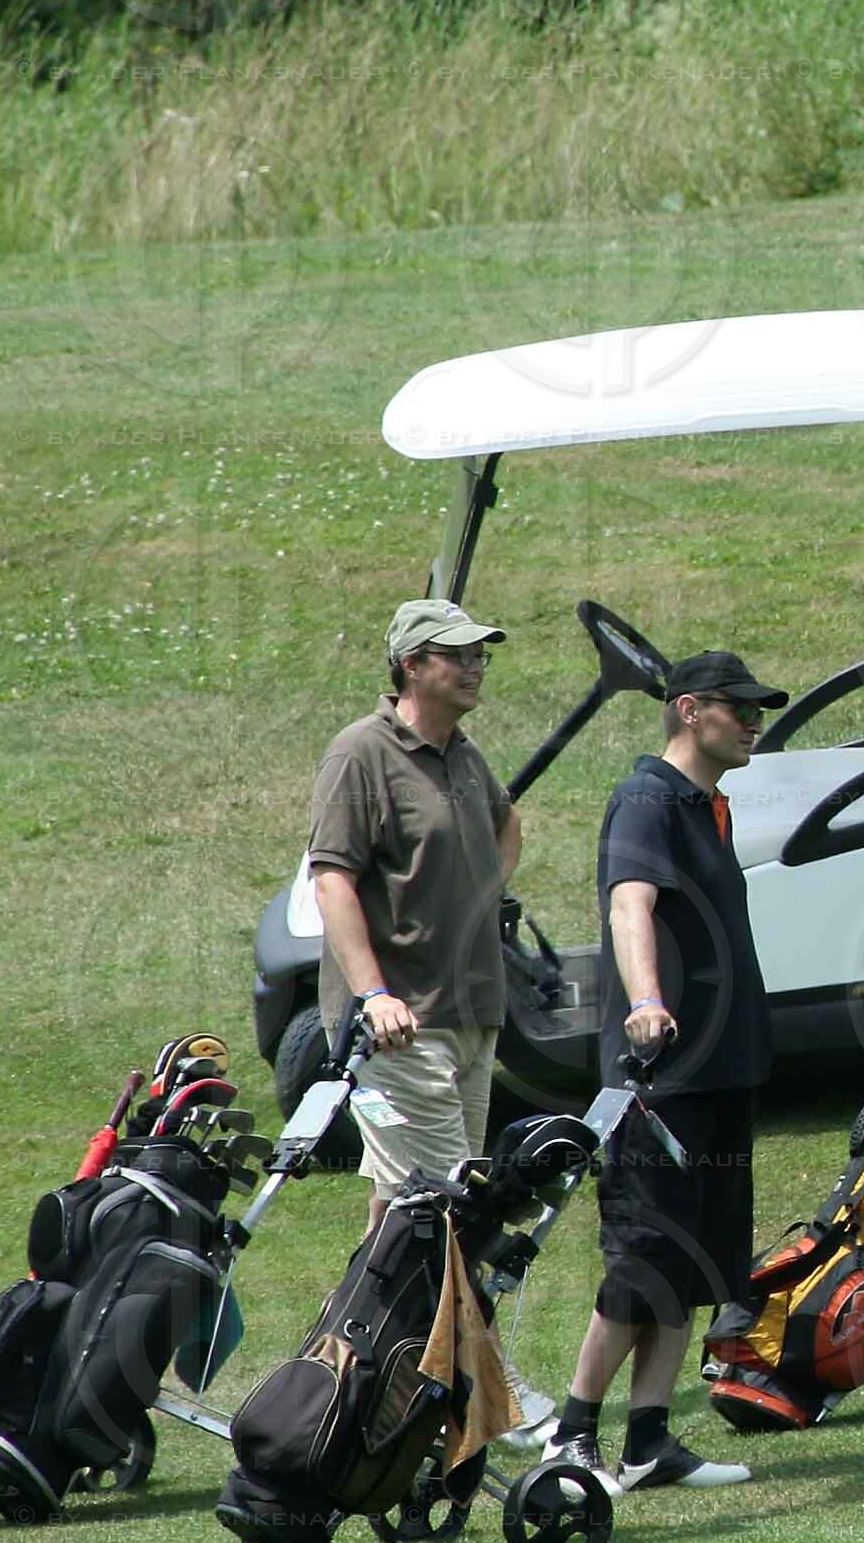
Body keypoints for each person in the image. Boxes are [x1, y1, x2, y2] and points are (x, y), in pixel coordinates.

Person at [542, 650, 787, 1493]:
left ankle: (648, 1441)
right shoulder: (647, 798)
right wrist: (645, 997)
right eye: (738, 707)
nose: (753, 720)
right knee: (642, 1261)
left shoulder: (708, 804)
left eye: (757, 708)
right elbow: (628, 903)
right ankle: (572, 1434)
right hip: (662, 1079)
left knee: (691, 1261)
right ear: (689, 710)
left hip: (719, 1074)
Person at [306, 597, 552, 1433]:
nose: (477, 666)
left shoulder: (461, 755)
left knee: (401, 1207)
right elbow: (332, 878)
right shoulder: (363, 752)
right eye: (458, 655)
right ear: (412, 664)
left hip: (471, 1012)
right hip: (400, 1022)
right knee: (451, 1207)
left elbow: (504, 823)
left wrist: (484, 897)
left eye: (482, 653)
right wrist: (374, 992)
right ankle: (484, 1388)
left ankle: (360, 1365)